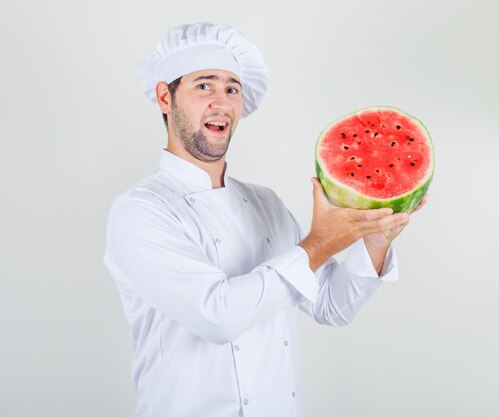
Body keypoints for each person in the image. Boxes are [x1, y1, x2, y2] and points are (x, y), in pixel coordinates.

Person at [104, 22, 425, 417]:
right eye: (204, 85)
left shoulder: (266, 204)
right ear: (164, 98)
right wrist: (319, 243)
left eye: (232, 89)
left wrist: (375, 240)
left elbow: (330, 305)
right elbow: (217, 316)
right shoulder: (140, 211)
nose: (221, 102)